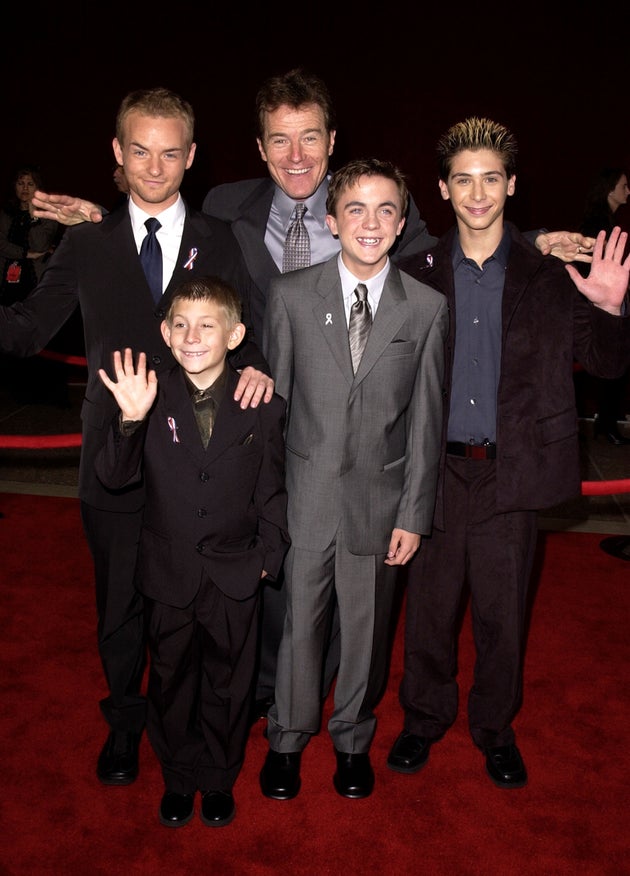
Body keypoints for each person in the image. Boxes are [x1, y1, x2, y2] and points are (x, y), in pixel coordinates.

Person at [30, 69, 596, 724]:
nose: (295, 156)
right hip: (252, 433)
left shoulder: (377, 211)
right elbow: (163, 230)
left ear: (331, 142)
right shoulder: (225, 208)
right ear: (261, 148)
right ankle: (269, 701)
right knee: (267, 580)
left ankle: (334, 708)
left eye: (308, 139)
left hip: (355, 447)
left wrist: (529, 246)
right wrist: (104, 218)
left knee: (353, 596)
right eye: (279, 140)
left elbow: (460, 249)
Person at [0, 86, 274, 789]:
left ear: (191, 157)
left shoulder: (222, 239)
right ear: (118, 154)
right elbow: (29, 330)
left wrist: (260, 371)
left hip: (204, 465)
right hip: (115, 459)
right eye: (140, 151)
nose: (155, 168)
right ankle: (126, 722)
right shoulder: (86, 243)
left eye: (171, 152)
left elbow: (255, 333)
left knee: (200, 611)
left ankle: (201, 737)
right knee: (120, 608)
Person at [386, 117, 630, 790]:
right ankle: (424, 719)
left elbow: (607, 367)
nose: (477, 193)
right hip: (436, 471)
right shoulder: (415, 274)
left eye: (490, 178)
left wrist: (612, 308)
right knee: (429, 610)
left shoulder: (550, 275)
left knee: (502, 614)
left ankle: (495, 729)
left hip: (512, 472)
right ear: (442, 189)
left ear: (511, 184)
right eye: (462, 180)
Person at [259, 157, 449, 802]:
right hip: (304, 500)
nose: (371, 223)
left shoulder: (425, 309)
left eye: (385, 210)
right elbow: (275, 410)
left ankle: (351, 739)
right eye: (356, 210)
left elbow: (426, 420)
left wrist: (413, 514)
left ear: (400, 225)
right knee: (298, 628)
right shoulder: (290, 297)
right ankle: (286, 738)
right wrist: (267, 503)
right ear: (333, 221)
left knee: (366, 634)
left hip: (380, 502)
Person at [94, 276, 289, 828]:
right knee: (172, 679)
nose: (192, 335)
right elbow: (112, 477)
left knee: (230, 683)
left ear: (235, 335)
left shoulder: (264, 406)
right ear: (165, 332)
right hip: (168, 571)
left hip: (236, 571)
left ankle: (220, 775)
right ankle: (179, 776)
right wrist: (130, 419)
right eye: (180, 324)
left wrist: (268, 557)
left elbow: (273, 491)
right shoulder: (148, 394)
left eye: (208, 325)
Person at [576, 166, 630, 446]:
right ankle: (605, 422)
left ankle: (605, 422)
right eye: (624, 185)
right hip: (595, 307)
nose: (628, 191)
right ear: (610, 189)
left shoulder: (604, 221)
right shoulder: (598, 224)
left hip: (600, 304)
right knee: (609, 363)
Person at [0, 164, 61, 402]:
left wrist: (34, 215)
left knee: (34, 333)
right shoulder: (5, 213)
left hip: (35, 282)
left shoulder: (48, 214)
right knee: (8, 333)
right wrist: (24, 254)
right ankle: (11, 389)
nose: (25, 188)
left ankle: (37, 390)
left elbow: (39, 243)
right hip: (7, 281)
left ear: (39, 187)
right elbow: (1, 244)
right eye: (20, 183)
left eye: (30, 183)